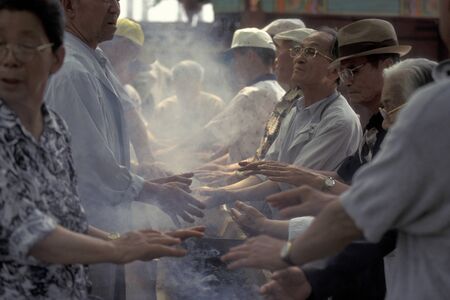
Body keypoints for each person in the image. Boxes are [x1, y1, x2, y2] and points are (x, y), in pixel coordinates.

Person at [223, 2, 450, 297]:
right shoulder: (373, 125)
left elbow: (364, 214)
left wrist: (289, 246)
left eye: (353, 69)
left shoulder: (428, 109)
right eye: (343, 71)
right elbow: (349, 193)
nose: (347, 81)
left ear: (387, 65)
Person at [0, 0, 204, 298]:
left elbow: (64, 212)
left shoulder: (52, 128)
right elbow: (29, 231)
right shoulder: (10, 128)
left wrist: (119, 239)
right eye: (1, 44)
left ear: (56, 58)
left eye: (28, 46)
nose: (10, 60)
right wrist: (116, 245)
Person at [199, 29, 361, 212]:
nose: (298, 58)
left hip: (303, 228)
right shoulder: (295, 108)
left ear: (334, 72)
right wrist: (221, 191)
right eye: (298, 50)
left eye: (311, 52)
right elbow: (268, 171)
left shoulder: (338, 121)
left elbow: (289, 181)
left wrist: (228, 193)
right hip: (279, 220)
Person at [154, 60, 224, 149]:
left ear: (199, 83)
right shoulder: (164, 108)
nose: (186, 89)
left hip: (208, 155)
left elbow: (222, 139)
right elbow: (154, 137)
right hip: (172, 154)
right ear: (174, 84)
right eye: (181, 84)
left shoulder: (214, 105)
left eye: (190, 83)